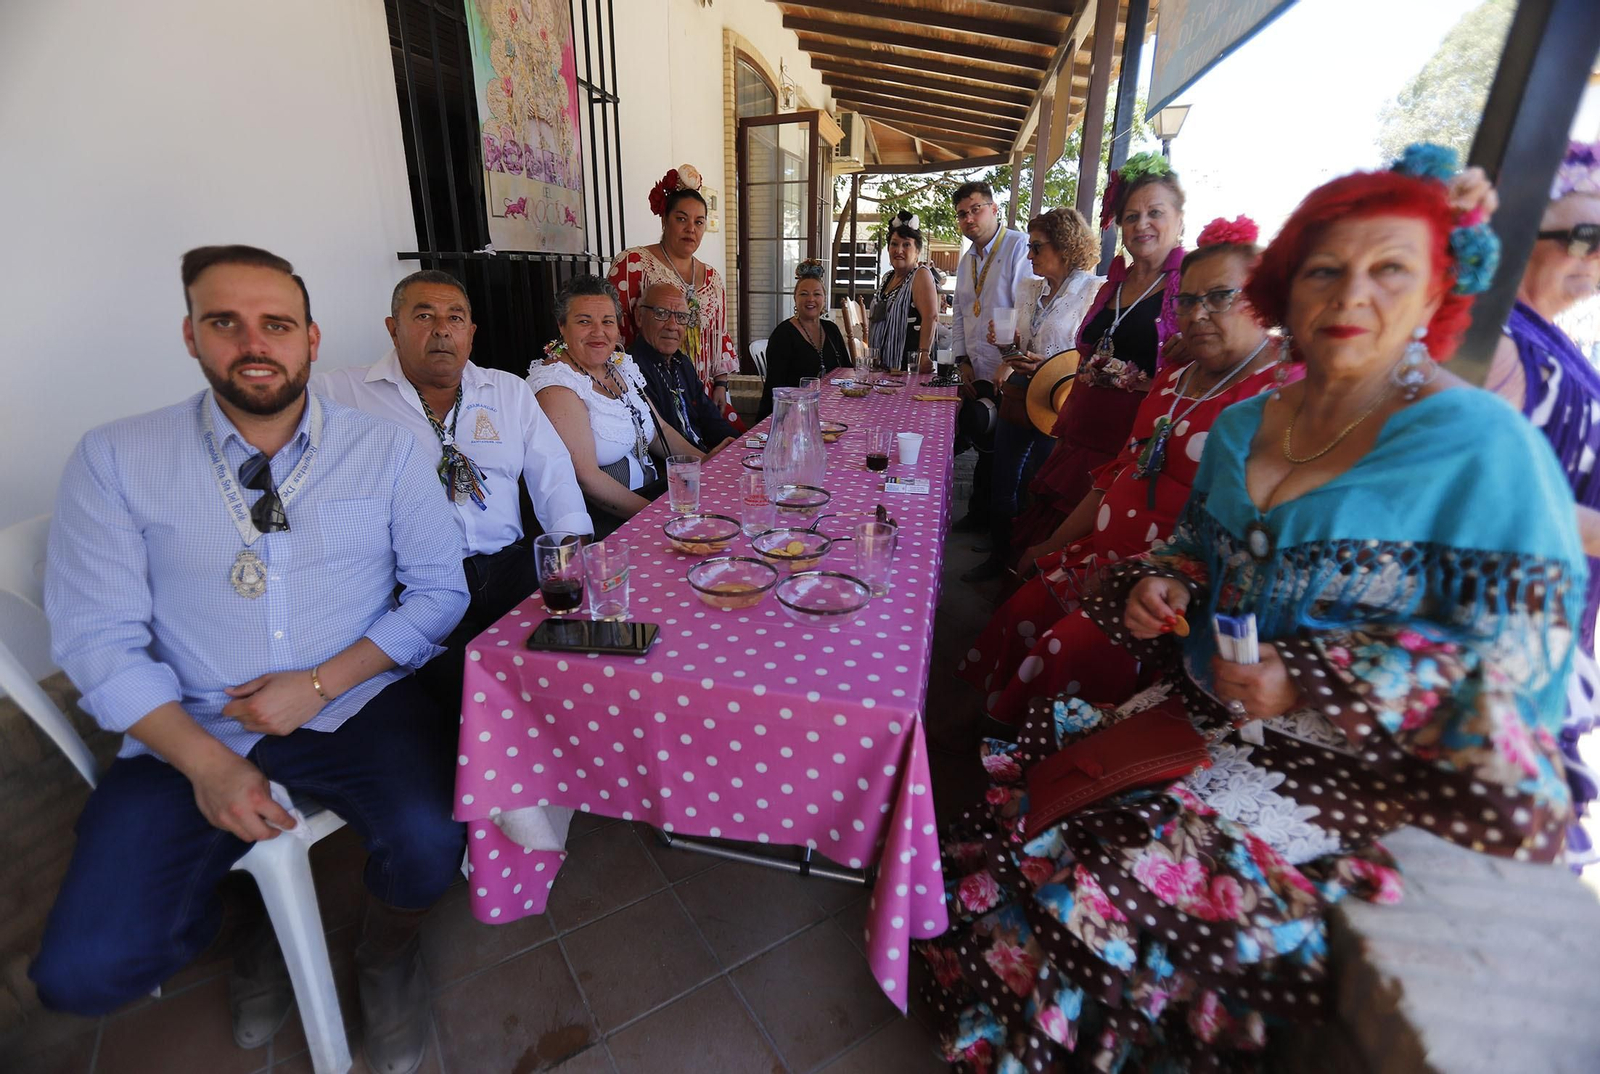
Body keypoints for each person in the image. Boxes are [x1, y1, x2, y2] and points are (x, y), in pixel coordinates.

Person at [921, 149, 1582, 1070]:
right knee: (1041, 813)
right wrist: (1166, 586)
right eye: (1324, 268)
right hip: (1206, 711)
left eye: (1389, 267)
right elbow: (1192, 550)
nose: (1352, 293)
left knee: (1110, 882)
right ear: (1289, 289)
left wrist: (1304, 678)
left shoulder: (1474, 444)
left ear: (1437, 288)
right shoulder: (1246, 426)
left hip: (1350, 765)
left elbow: (1519, 657)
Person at [31, 245, 469, 1074]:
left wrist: (317, 685)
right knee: (83, 973)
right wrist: (205, 764)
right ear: (191, 336)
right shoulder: (118, 458)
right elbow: (99, 641)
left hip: (352, 702)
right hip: (193, 717)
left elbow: (439, 593)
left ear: (310, 338)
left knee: (430, 840)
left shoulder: (381, 451)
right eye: (224, 323)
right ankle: (247, 918)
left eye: (276, 324)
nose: (253, 343)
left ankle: (385, 954)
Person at [957, 217, 1283, 723]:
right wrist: (1052, 545)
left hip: (1173, 593)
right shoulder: (1178, 374)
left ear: (1263, 298)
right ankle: (1010, 735)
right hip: (1105, 554)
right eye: (1188, 300)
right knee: (1021, 607)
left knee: (1066, 648)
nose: (1198, 314)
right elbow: (1124, 469)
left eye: (1220, 297)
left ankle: (1048, 760)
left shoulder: (1281, 390)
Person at [312, 269, 592, 716]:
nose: (442, 329)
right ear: (393, 327)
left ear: (471, 331)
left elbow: (553, 473)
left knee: (577, 659)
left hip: (510, 568)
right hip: (418, 585)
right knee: (474, 694)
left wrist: (570, 549)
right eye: (424, 315)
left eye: (455, 317)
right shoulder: (340, 395)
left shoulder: (507, 391)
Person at [1489, 139, 1600, 869]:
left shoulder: (1546, 338)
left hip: (1545, 630)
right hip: (1500, 644)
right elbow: (1483, 503)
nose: (1595, 255)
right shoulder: (1498, 341)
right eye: (1585, 235)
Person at [1010, 153, 1188, 559]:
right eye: (1130, 215)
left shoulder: (1189, 288)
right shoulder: (1115, 284)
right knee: (1046, 539)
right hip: (1080, 436)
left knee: (1087, 553)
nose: (1141, 224)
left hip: (1129, 447)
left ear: (1179, 219)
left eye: (1155, 212)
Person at [963, 206, 1105, 582]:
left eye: (1036, 247)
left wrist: (1053, 366)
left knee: (1038, 488)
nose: (1029, 256)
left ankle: (1026, 567)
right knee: (1003, 480)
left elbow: (1096, 356)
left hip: (1060, 402)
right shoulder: (1030, 288)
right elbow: (1022, 344)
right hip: (1020, 392)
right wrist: (1005, 346)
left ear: (1065, 246)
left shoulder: (1094, 291)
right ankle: (999, 556)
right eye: (1029, 246)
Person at [528, 274, 702, 533]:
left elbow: (660, 431)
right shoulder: (557, 386)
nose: (598, 332)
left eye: (607, 321)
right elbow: (587, 478)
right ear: (562, 326)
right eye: (584, 321)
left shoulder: (618, 366)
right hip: (608, 521)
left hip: (652, 496)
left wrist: (709, 465)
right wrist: (657, 517)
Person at [608, 164, 738, 413]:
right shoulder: (633, 264)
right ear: (664, 220)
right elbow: (615, 332)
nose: (691, 228)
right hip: (649, 393)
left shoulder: (713, 278)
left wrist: (721, 384)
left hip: (704, 396)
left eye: (699, 222)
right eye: (681, 219)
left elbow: (720, 335)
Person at [950, 180, 1036, 532]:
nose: (969, 218)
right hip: (977, 369)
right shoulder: (967, 259)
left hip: (1010, 368)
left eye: (976, 209)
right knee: (983, 441)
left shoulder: (1019, 247)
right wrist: (962, 361)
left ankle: (1000, 530)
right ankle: (977, 514)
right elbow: (958, 313)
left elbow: (1026, 313)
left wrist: (1009, 361)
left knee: (1005, 453)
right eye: (962, 214)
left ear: (994, 208)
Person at [631, 280, 738, 453]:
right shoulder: (632, 370)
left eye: (681, 317)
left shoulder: (682, 363)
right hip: (672, 469)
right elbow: (656, 440)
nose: (673, 326)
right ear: (639, 317)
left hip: (701, 457)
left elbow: (711, 420)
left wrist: (739, 447)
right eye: (661, 313)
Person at [761, 258, 852, 419]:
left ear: (824, 299)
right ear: (795, 298)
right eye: (804, 294)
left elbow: (847, 370)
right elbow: (775, 389)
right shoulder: (783, 335)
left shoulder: (831, 330)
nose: (811, 299)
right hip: (793, 415)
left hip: (833, 411)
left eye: (817, 294)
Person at [867, 210, 942, 374]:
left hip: (908, 371)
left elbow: (931, 317)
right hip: (884, 371)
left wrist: (924, 354)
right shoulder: (887, 277)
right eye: (894, 244)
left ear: (917, 252)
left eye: (906, 245)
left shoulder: (920, 275)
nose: (898, 250)